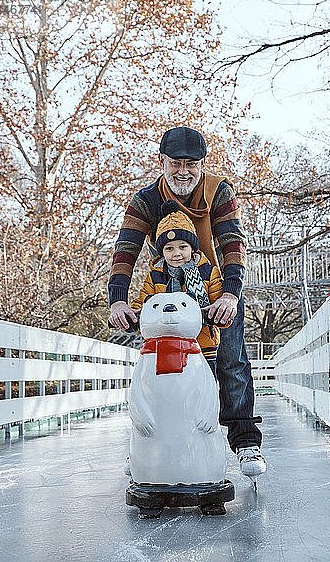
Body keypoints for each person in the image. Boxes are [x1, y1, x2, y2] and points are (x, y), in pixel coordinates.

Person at [108, 126, 266, 480]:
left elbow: (232, 243)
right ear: (162, 161)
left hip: (215, 291)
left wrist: (230, 293)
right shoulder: (145, 200)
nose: (183, 171)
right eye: (175, 163)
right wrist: (118, 300)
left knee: (231, 363)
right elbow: (125, 249)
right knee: (160, 370)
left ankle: (245, 442)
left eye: (191, 164)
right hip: (168, 293)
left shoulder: (219, 191)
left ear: (202, 164)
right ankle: (150, 449)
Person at [130, 199, 229, 377]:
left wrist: (219, 315)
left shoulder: (208, 272)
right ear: (162, 252)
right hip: (163, 347)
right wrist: (133, 317)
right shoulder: (155, 276)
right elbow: (143, 305)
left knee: (203, 390)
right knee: (170, 393)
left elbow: (218, 304)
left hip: (203, 345)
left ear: (192, 248)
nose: (176, 253)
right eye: (169, 248)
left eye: (183, 247)